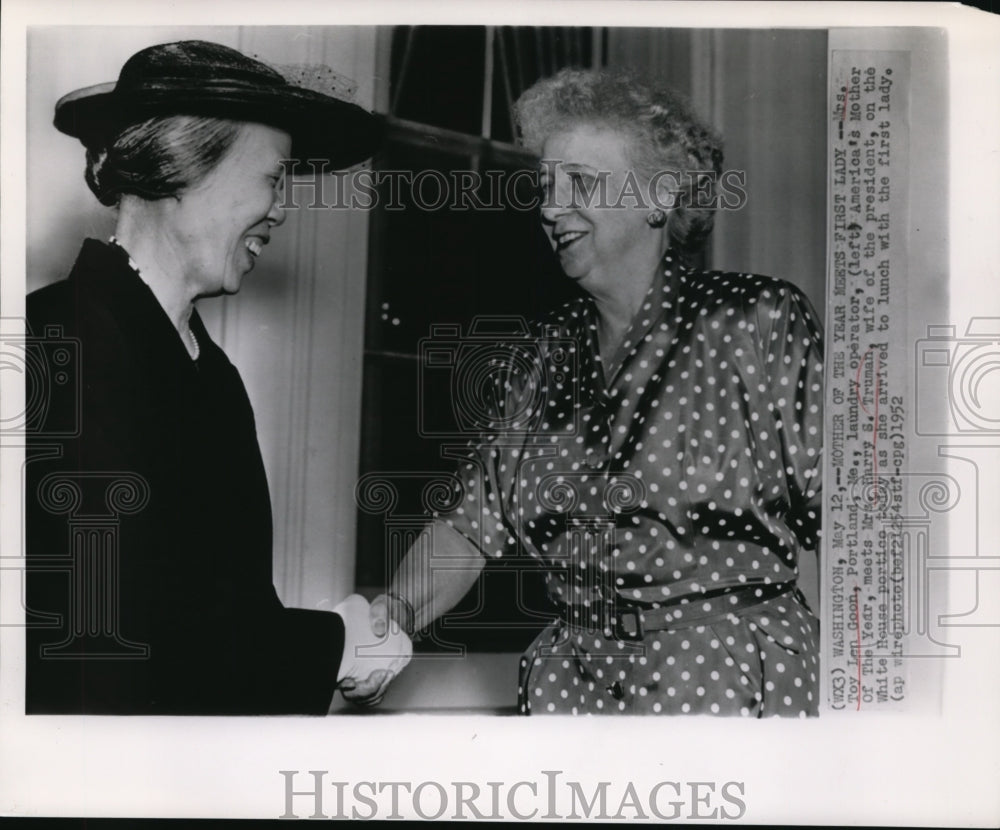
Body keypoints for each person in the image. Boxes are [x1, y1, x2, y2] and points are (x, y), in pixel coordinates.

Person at [354, 68, 823, 716]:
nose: (550, 206)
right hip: (571, 691)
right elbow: (468, 529)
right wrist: (395, 618)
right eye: (546, 184)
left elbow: (853, 522)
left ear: (658, 197)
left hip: (729, 682)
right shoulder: (543, 357)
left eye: (582, 182)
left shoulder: (756, 322)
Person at [25, 40, 410, 715]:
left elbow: (216, 606)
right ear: (181, 170)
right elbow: (112, 641)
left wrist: (329, 638)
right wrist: (333, 644)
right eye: (273, 176)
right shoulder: (57, 345)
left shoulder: (210, 374)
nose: (282, 209)